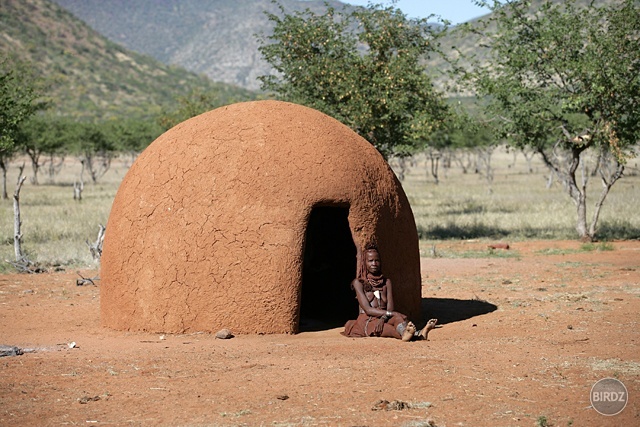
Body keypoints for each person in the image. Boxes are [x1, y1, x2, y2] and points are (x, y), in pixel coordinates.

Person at [342, 245, 437, 341]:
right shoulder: (359, 283)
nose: (374, 263)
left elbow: (390, 307)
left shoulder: (386, 282)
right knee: (388, 329)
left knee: (398, 319)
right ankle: (415, 335)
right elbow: (368, 310)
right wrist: (391, 314)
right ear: (364, 263)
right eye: (370, 261)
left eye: (377, 260)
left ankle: (412, 333)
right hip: (367, 320)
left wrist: (383, 318)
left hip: (385, 317)